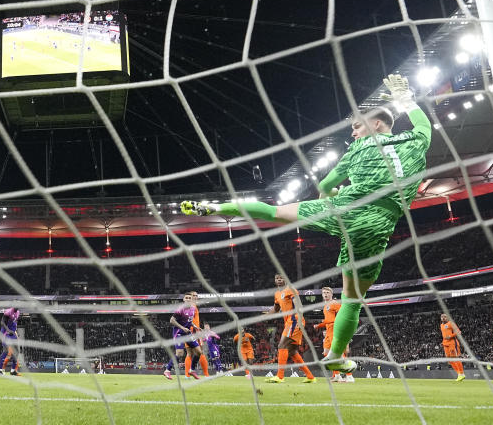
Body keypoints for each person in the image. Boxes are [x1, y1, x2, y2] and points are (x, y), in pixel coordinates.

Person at [182, 74, 431, 374]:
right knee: (352, 298)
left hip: (343, 208)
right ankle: (335, 355)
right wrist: (405, 98)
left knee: (273, 213)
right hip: (379, 222)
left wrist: (333, 195)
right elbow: (423, 125)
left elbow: (325, 184)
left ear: (376, 124)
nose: (352, 132)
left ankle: (219, 207)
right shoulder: (415, 141)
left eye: (357, 125)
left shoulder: (358, 150)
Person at [264, 274, 315, 384]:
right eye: (277, 278)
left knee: (281, 345)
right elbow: (276, 309)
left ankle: (280, 376)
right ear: (275, 280)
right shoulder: (277, 294)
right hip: (289, 322)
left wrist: (300, 320)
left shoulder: (290, 290)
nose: (279, 280)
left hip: (295, 320)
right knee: (292, 351)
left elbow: (299, 305)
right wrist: (266, 315)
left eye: (281, 278)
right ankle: (310, 376)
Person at [316, 287, 353, 383]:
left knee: (338, 353)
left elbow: (342, 316)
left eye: (327, 292)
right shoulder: (325, 306)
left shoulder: (335, 304)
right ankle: (337, 375)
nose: (325, 294)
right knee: (326, 353)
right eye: (324, 292)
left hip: (335, 330)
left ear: (331, 294)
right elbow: (329, 319)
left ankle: (349, 376)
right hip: (328, 331)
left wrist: (320, 325)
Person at [163, 292, 202, 380]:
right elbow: (172, 320)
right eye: (186, 298)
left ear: (191, 299)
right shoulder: (180, 309)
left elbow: (189, 320)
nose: (188, 299)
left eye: (189, 298)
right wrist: (182, 327)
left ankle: (192, 370)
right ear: (184, 299)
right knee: (180, 353)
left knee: (199, 352)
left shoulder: (192, 309)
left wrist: (196, 327)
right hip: (179, 332)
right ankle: (167, 370)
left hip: (188, 333)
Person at [188, 291, 210, 377]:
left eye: (197, 295)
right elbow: (190, 319)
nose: (196, 297)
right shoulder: (192, 306)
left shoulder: (193, 306)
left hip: (191, 331)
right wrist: (195, 329)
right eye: (194, 295)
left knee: (189, 353)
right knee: (200, 352)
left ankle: (188, 374)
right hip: (193, 331)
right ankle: (206, 374)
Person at [440, 313, 465, 381]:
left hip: (452, 343)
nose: (443, 318)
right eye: (442, 317)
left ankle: (462, 374)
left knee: (455, 358)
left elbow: (459, 332)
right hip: (445, 344)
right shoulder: (441, 325)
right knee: (449, 360)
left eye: (444, 317)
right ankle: (459, 374)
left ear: (447, 318)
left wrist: (450, 336)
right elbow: (444, 334)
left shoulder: (451, 323)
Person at [0, 307, 21, 376]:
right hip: (6, 333)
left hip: (12, 334)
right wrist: (8, 330)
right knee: (6, 351)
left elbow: (14, 324)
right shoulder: (8, 312)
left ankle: (13, 370)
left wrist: (15, 333)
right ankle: (0, 370)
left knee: (17, 351)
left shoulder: (18, 313)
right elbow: (2, 322)